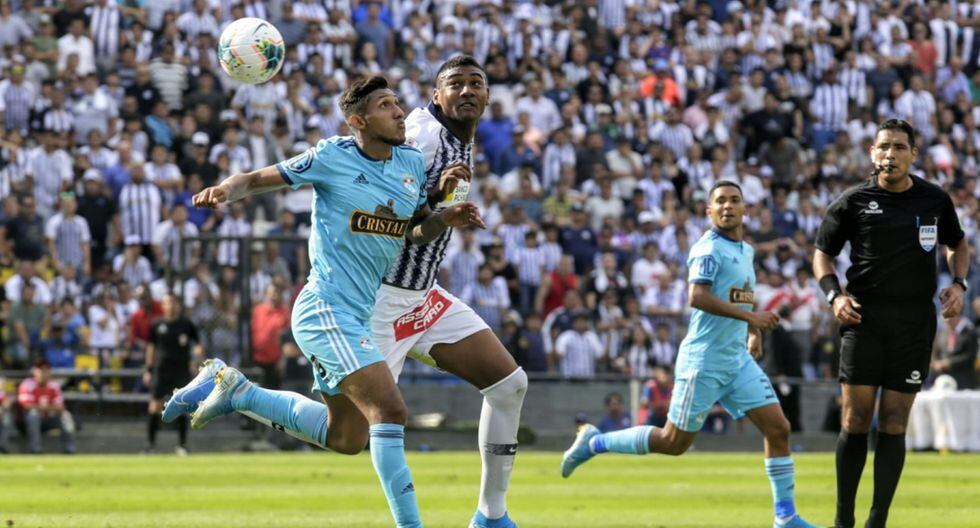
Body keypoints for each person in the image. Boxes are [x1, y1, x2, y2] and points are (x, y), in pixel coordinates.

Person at [163, 75, 484, 528]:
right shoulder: (332, 156)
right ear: (358, 121)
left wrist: (443, 215)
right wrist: (225, 190)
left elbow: (415, 229)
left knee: (347, 437)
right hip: (324, 310)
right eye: (385, 106)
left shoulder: (410, 162)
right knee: (390, 411)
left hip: (359, 315)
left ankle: (237, 390)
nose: (399, 112)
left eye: (397, 102)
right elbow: (255, 178)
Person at [560, 181, 820, 528]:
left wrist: (752, 329)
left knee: (778, 429)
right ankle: (595, 441)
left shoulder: (746, 250)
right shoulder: (707, 248)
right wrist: (752, 319)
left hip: (736, 359)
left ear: (746, 209)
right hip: (705, 360)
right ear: (709, 211)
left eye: (735, 200)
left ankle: (785, 517)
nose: (728, 206)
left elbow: (742, 295)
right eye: (720, 201)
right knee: (673, 441)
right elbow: (696, 297)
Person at [370, 56, 527, 528]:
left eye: (475, 83)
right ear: (435, 95)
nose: (467, 91)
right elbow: (388, 213)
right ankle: (240, 393)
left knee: (509, 384)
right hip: (382, 299)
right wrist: (438, 203)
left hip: (422, 295)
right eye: (454, 84)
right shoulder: (423, 137)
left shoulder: (460, 138)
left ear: (487, 96)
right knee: (344, 433)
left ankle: (491, 517)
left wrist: (443, 208)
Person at [813, 119, 969, 528]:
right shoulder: (853, 201)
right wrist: (835, 296)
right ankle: (843, 519)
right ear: (872, 153)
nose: (890, 154)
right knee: (855, 418)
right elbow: (822, 253)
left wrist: (959, 284)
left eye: (900, 147)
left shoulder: (934, 199)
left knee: (895, 421)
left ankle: (877, 520)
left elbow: (957, 243)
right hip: (863, 319)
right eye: (884, 146)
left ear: (913, 154)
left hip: (914, 323)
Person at [143, 293, 203, 455]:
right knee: (155, 405)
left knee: (183, 406)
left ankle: (182, 445)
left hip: (180, 371)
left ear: (178, 305)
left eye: (173, 302)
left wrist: (196, 359)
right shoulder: (157, 325)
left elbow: (198, 344)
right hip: (161, 370)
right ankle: (150, 446)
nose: (170, 306)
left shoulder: (186, 324)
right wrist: (148, 369)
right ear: (163, 306)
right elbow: (151, 348)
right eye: (167, 303)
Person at [17, 359, 76, 454]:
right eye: (40, 370)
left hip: (48, 418)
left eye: (46, 370)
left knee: (66, 415)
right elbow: (26, 405)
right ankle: (35, 449)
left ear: (49, 372)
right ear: (35, 371)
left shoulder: (54, 385)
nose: (43, 373)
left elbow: (61, 407)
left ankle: (69, 449)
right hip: (26, 421)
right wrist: (49, 408)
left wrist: (44, 408)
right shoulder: (27, 384)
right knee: (33, 415)